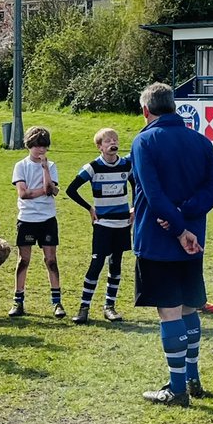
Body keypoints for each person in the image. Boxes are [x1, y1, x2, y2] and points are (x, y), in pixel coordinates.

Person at [130, 82, 213, 407]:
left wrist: (177, 225)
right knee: (188, 308)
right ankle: (192, 376)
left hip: (158, 241)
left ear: (146, 111)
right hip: (193, 242)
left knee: (169, 313)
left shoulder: (144, 140)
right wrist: (187, 218)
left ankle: (177, 387)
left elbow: (154, 195)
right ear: (174, 107)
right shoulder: (201, 141)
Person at [66, 127, 132, 324]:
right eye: (107, 140)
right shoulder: (93, 167)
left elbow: (138, 186)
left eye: (115, 139)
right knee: (97, 263)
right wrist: (89, 208)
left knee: (116, 264)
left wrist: (134, 208)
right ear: (99, 147)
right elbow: (71, 190)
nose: (112, 142)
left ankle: (109, 307)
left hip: (122, 223)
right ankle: (84, 307)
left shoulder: (126, 165)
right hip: (103, 223)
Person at [9, 127, 64, 318]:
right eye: (37, 146)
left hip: (47, 219)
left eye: (44, 147)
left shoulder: (51, 165)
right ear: (29, 145)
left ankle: (57, 302)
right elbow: (24, 194)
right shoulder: (21, 166)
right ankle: (18, 300)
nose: (41, 151)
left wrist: (45, 169)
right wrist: (46, 190)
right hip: (27, 219)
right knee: (23, 260)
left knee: (51, 261)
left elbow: (50, 187)